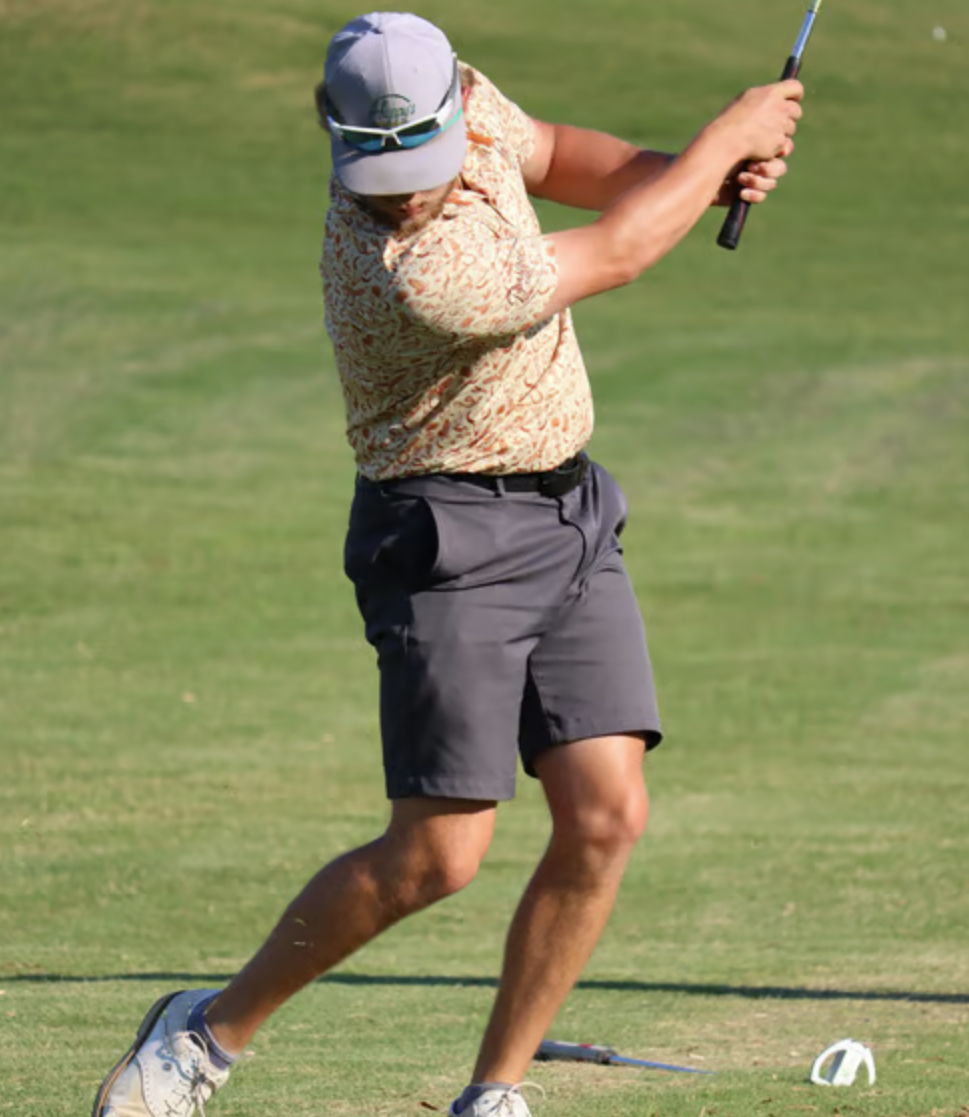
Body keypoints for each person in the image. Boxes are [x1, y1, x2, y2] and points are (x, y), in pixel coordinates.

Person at [92, 11, 803, 1117]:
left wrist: (693, 176)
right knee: (437, 856)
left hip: (569, 511)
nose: (405, 189)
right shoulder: (409, 271)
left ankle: (495, 1093)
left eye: (417, 163)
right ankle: (204, 1035)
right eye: (381, 174)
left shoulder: (466, 102)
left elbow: (564, 156)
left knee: (608, 813)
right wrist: (725, 137)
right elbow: (615, 252)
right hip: (444, 539)